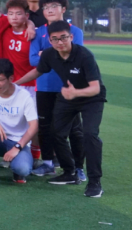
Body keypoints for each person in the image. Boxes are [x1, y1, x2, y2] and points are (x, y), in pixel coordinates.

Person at [15, 21, 106, 198]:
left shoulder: (84, 55)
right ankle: (69, 172)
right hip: (69, 96)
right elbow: (38, 71)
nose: (60, 42)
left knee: (90, 135)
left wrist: (76, 93)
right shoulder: (50, 54)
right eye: (55, 39)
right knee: (54, 131)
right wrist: (15, 84)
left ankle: (95, 182)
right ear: (50, 41)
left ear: (71, 37)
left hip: (91, 98)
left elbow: (95, 88)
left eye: (63, 38)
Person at [29, 0, 86, 180]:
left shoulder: (75, 32)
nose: (49, 10)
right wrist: (57, 53)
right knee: (45, 126)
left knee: (74, 130)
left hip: (69, 87)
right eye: (46, 7)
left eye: (54, 6)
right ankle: (48, 163)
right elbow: (32, 60)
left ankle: (78, 167)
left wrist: (45, 55)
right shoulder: (38, 32)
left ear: (63, 9)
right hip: (44, 86)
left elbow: (74, 57)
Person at [2, 0, 42, 163]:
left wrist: (31, 26)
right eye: (10, 13)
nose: (14, 17)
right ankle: (10, 153)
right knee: (10, 120)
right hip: (11, 85)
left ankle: (35, 155)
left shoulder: (35, 34)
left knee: (32, 121)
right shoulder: (4, 29)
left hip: (31, 85)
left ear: (26, 15)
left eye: (18, 14)